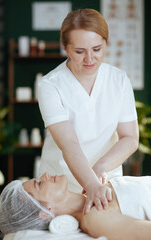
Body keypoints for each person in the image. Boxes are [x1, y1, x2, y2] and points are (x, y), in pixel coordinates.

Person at [37, 8, 139, 213]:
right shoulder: (50, 84)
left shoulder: (119, 80)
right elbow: (69, 143)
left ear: (105, 44)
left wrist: (100, 169)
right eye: (80, 51)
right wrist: (90, 184)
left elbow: (130, 138)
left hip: (106, 183)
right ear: (66, 48)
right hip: (60, 189)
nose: (90, 59)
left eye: (97, 49)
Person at [0, 172, 151, 240]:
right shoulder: (95, 217)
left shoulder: (94, 191)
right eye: (39, 183)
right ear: (44, 211)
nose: (45, 174)